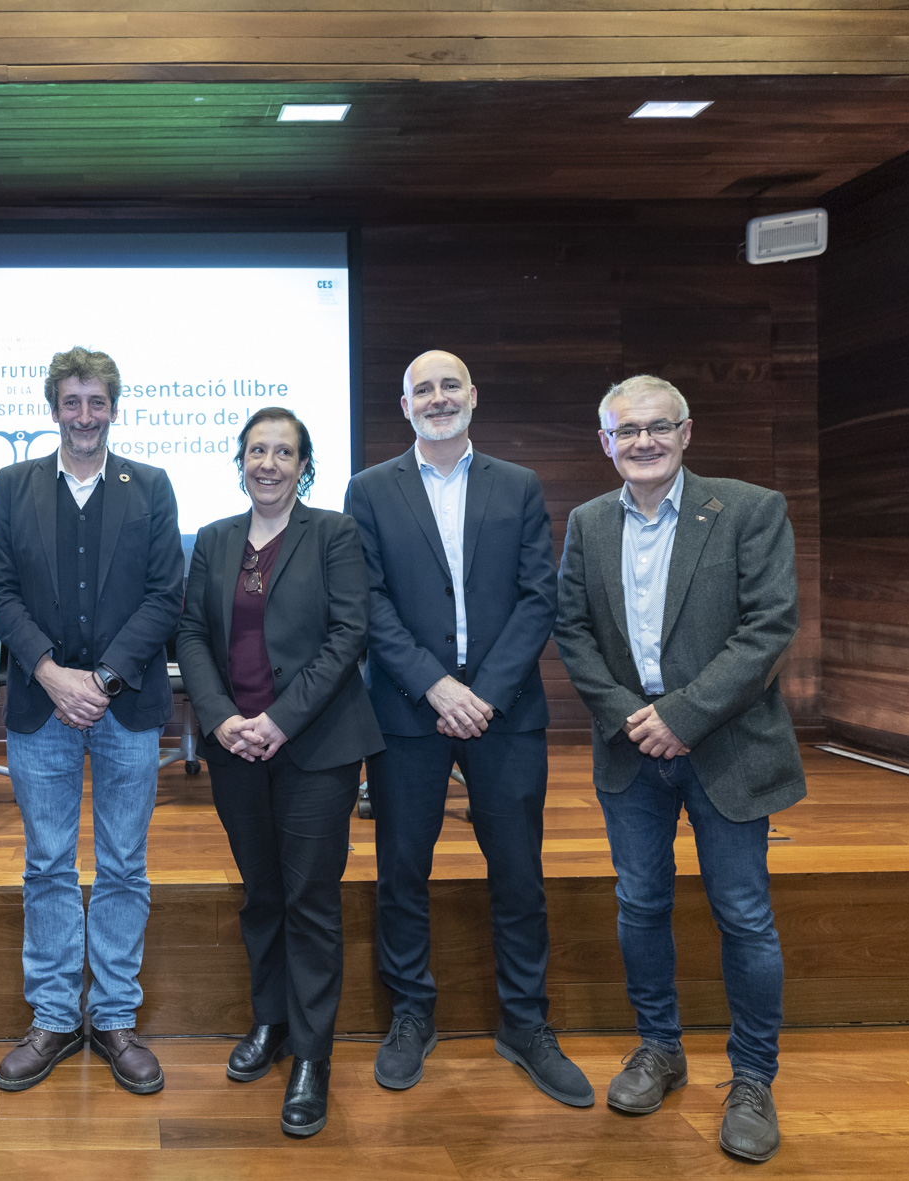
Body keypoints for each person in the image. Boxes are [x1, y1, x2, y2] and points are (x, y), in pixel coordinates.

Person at [554, 374, 803, 1163]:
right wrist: (635, 715)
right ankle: (659, 1047)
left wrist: (683, 716)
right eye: (627, 432)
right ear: (606, 443)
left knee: (744, 915)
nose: (644, 442)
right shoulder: (589, 522)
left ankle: (754, 1078)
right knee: (640, 902)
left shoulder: (750, 508)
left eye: (658, 427)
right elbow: (573, 630)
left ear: (687, 431)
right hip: (631, 749)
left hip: (725, 747)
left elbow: (768, 630)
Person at [344, 350, 592, 1107]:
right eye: (424, 387)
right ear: (404, 402)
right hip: (409, 712)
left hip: (504, 712)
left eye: (451, 385)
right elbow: (370, 603)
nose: (439, 397)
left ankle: (524, 1021)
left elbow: (535, 598)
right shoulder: (370, 489)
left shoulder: (515, 485)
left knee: (518, 873)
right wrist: (437, 686)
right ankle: (413, 1013)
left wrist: (480, 693)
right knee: (402, 873)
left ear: (474, 397)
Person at [176, 408, 383, 1137]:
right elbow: (193, 633)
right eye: (257, 449)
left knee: (311, 900)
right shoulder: (215, 539)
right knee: (261, 893)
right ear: (240, 461)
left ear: (304, 464)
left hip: (315, 746)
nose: (269, 462)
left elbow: (348, 632)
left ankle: (313, 1054)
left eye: (283, 451)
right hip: (235, 746)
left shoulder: (333, 533)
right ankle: (271, 1021)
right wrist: (221, 715)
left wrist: (279, 720)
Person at [0, 346, 183, 1095]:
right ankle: (56, 1015)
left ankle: (117, 1016)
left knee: (126, 864)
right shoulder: (13, 485)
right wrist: (47, 671)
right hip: (42, 705)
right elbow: (0, 589)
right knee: (47, 864)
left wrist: (98, 680)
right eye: (72, 401)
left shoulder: (151, 486)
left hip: (125, 705)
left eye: (97, 402)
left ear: (114, 406)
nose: (85, 416)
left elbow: (167, 594)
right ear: (53, 406)